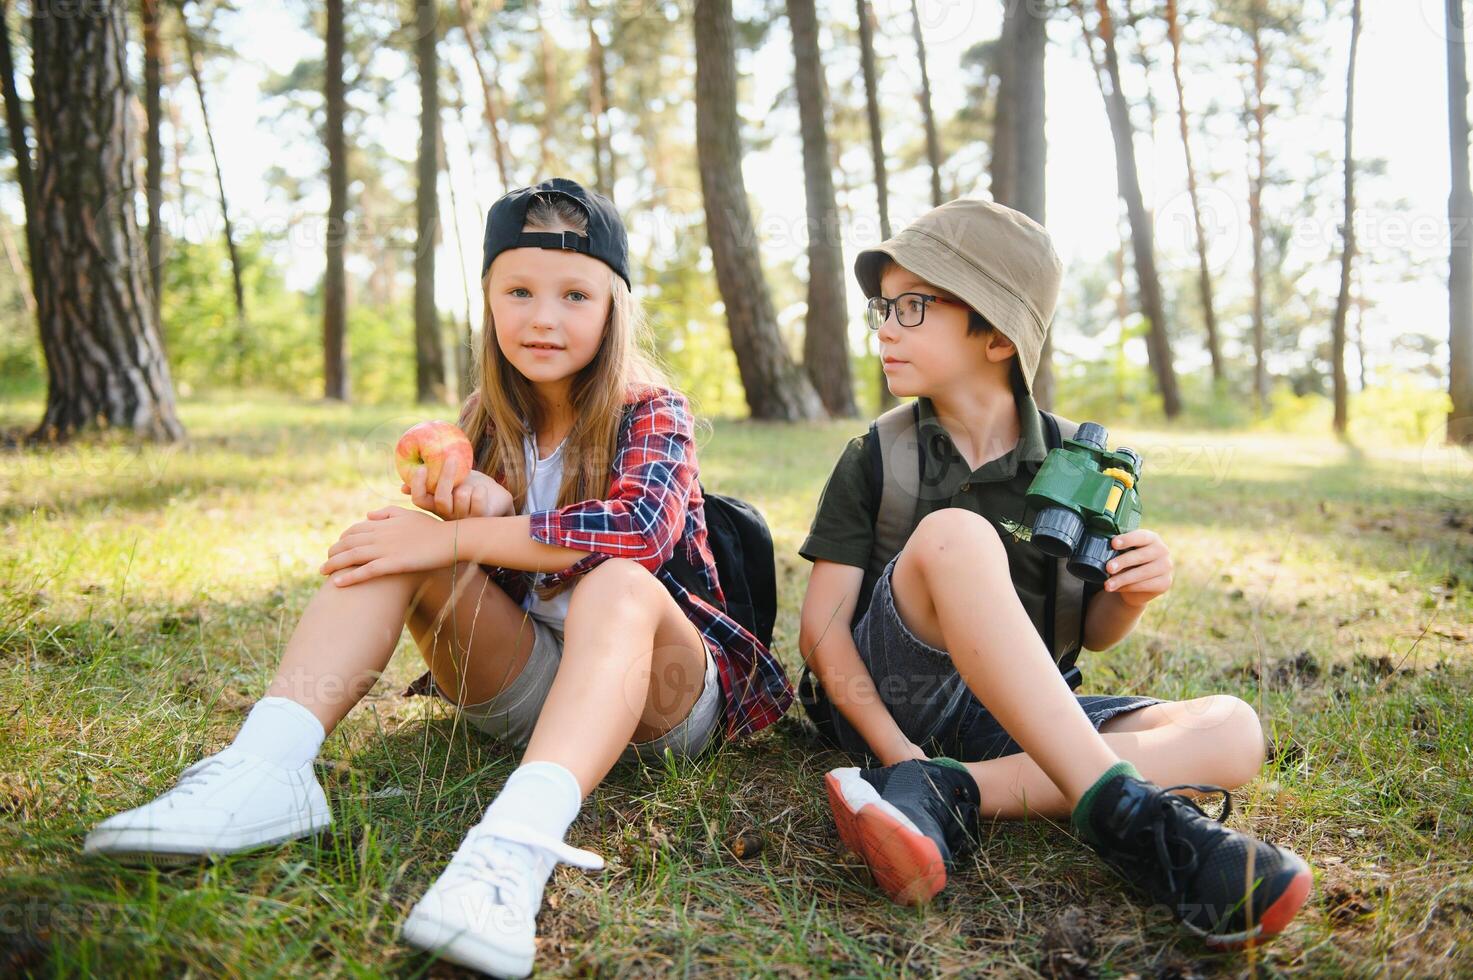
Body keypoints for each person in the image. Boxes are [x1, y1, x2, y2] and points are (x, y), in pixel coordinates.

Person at [84, 177, 794, 977]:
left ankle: (513, 846)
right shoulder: (483, 420)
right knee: (401, 537)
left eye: (574, 295)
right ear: (488, 300)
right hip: (531, 687)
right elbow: (479, 563)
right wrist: (459, 521)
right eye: (517, 290)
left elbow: (636, 530)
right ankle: (266, 767)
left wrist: (463, 535)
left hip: (659, 703)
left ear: (613, 307)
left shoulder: (652, 409)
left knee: (615, 582)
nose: (543, 317)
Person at [796, 198, 1311, 948]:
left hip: (1011, 717)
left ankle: (951, 789)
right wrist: (889, 745)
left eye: (913, 307)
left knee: (1232, 730)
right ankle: (1115, 809)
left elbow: (1091, 633)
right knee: (953, 538)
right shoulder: (876, 453)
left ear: (998, 334)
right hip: (894, 693)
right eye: (884, 306)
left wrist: (1132, 594)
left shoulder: (1082, 467)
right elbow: (820, 628)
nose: (883, 327)